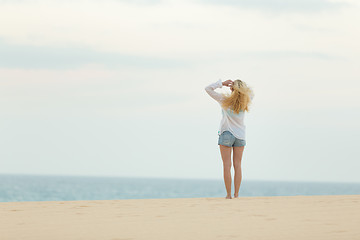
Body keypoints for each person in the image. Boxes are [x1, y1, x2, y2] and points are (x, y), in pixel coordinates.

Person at [204, 79, 254, 199]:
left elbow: (208, 89)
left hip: (226, 134)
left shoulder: (224, 100)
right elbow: (252, 92)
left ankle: (228, 195)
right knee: (238, 165)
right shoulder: (246, 101)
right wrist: (241, 87)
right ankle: (236, 194)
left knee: (227, 165)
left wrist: (221, 84)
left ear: (231, 89)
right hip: (240, 136)